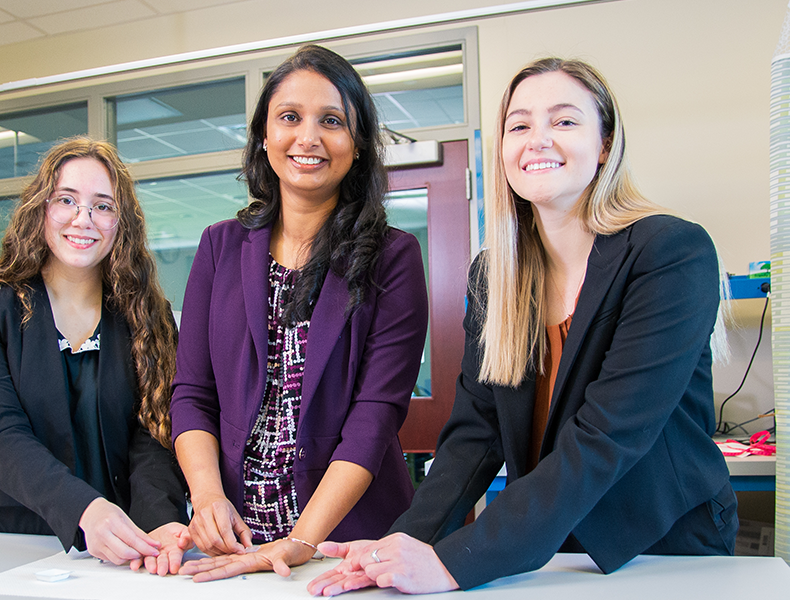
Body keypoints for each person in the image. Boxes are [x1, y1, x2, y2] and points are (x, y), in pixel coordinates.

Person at [308, 57, 737, 595]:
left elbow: (606, 437)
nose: (538, 140)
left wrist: (456, 563)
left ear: (605, 144)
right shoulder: (495, 278)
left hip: (659, 545)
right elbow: (474, 435)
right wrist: (398, 548)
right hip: (548, 544)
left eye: (564, 121)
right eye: (519, 125)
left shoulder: (668, 252)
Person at [169, 44, 428, 582]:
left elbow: (374, 415)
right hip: (234, 542)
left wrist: (300, 542)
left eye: (331, 121)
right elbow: (192, 392)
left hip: (346, 548)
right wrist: (208, 495)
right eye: (290, 117)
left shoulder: (393, 257)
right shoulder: (219, 248)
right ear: (265, 136)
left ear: (356, 144)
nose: (308, 138)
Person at [0, 137, 190, 576]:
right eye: (67, 200)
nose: (84, 219)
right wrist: (85, 509)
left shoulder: (147, 316)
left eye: (103, 206)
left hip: (124, 551)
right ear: (41, 208)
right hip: (14, 545)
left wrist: (163, 522)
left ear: (122, 222)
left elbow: (152, 436)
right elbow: (1, 436)